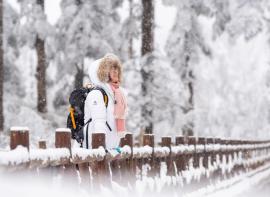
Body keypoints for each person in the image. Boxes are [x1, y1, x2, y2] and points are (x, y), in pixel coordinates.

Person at [83, 54, 128, 149]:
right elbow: (99, 123)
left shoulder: (116, 93)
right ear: (104, 72)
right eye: (112, 68)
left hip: (110, 149)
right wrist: (100, 147)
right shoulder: (97, 94)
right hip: (95, 150)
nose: (116, 71)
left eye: (117, 68)